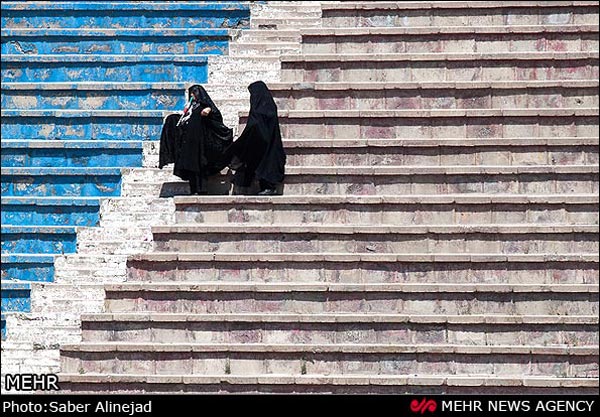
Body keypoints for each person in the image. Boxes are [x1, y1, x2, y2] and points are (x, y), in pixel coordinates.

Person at [159, 85, 233, 194]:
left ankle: (202, 190)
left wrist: (208, 111)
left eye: (194, 93)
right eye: (191, 93)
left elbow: (215, 116)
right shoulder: (191, 107)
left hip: (200, 143)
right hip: (189, 142)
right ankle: (193, 189)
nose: (192, 96)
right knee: (190, 167)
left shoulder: (205, 106)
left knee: (200, 167)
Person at [226, 81, 286, 195]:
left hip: (267, 144)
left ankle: (269, 187)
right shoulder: (265, 106)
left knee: (267, 164)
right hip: (261, 143)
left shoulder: (262, 109)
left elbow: (256, 125)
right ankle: (265, 187)